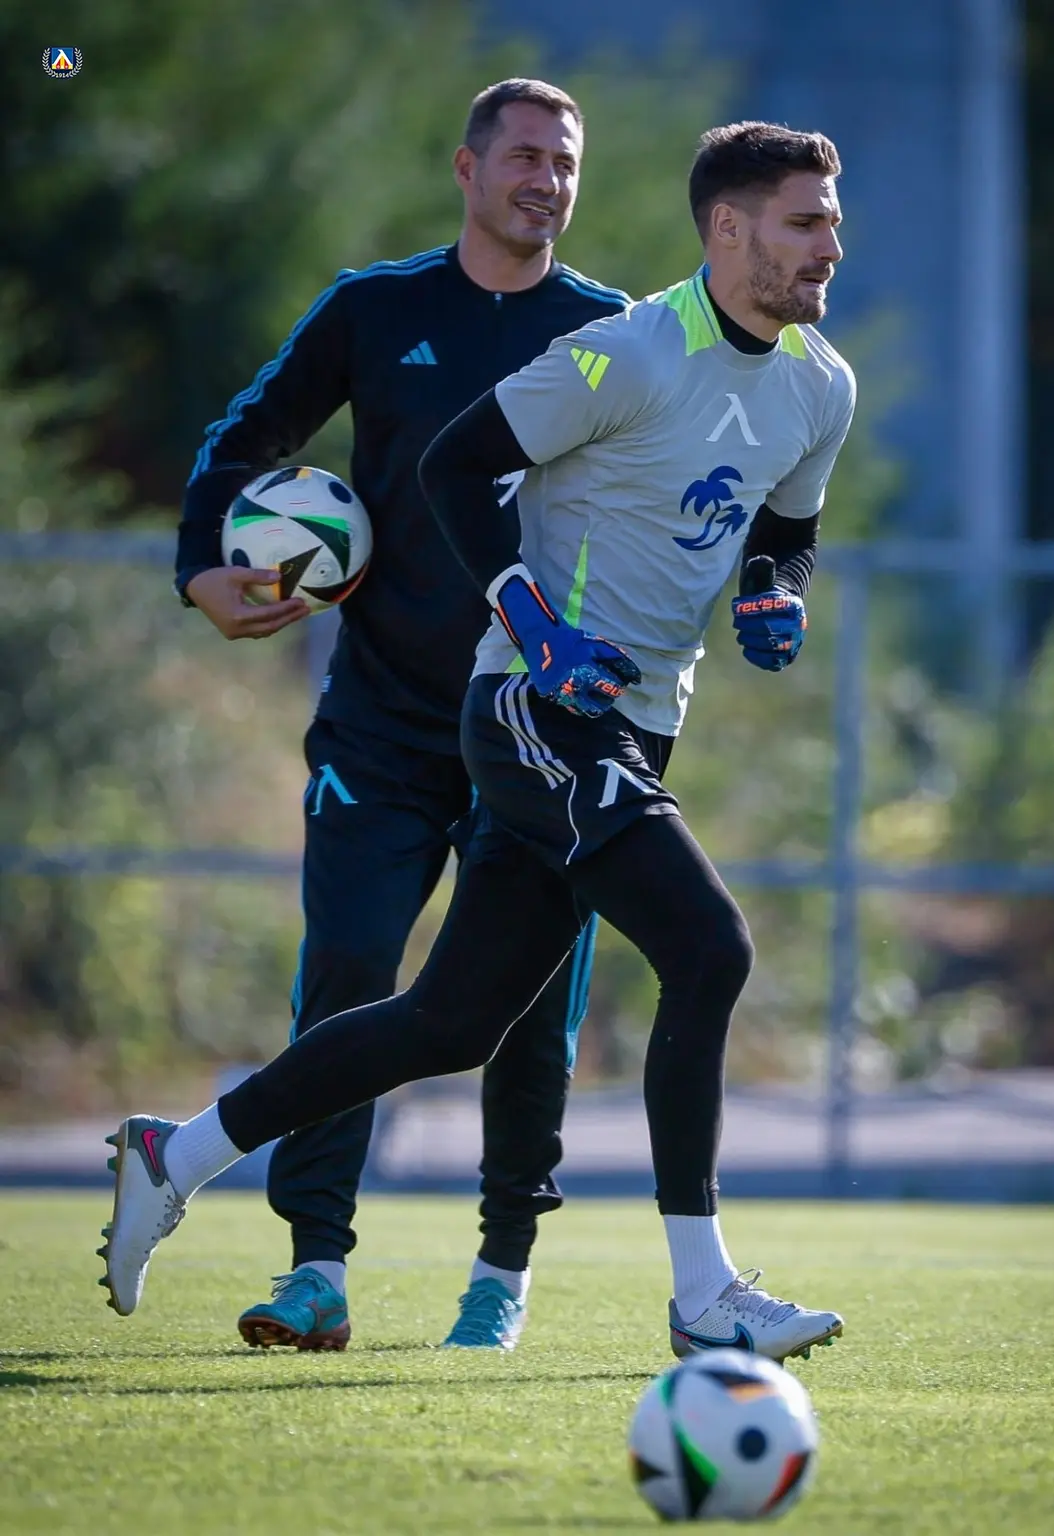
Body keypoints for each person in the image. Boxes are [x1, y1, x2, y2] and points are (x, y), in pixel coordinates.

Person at [101, 119, 855, 1363]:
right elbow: (455, 468)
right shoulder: (622, 351)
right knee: (709, 948)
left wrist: (775, 592)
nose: (829, 245)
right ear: (727, 228)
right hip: (531, 710)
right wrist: (531, 622)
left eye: (831, 220)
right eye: (804, 221)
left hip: (638, 726)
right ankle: (703, 1293)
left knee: (452, 1022)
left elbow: (784, 527)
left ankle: (172, 1154)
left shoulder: (820, 384)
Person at [170, 78, 629, 1352]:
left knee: (528, 1010)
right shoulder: (375, 310)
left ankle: (500, 1276)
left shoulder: (610, 333)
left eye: (564, 161)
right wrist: (202, 567)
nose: (546, 179)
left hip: (535, 730)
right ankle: (314, 1269)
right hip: (380, 723)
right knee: (351, 970)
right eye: (524, 155)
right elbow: (241, 437)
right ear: (467, 170)